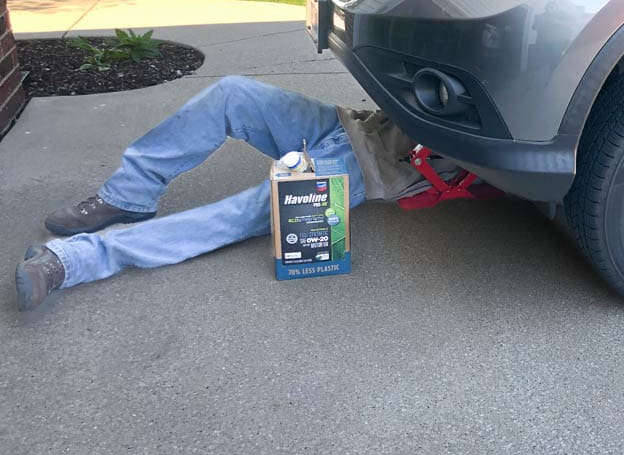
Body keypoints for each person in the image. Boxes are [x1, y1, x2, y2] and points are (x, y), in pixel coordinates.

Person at [14, 76, 447, 312]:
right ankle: (127, 195)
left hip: (377, 166)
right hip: (353, 125)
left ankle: (75, 260)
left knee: (247, 211)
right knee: (232, 93)